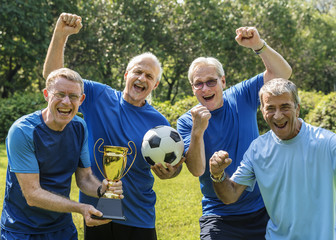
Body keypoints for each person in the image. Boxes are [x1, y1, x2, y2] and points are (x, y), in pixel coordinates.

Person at [43, 13, 183, 240]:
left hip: (139, 215)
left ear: (155, 84)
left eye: (149, 76)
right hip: (97, 211)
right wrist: (60, 35)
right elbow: (54, 78)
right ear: (126, 75)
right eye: (137, 71)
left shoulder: (159, 123)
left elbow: (173, 168)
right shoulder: (98, 95)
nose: (141, 78)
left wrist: (170, 173)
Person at [177, 27, 292, 239]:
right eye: (198, 84)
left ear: (223, 81)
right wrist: (197, 131)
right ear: (192, 88)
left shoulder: (241, 95)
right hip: (219, 215)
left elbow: (282, 74)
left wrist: (258, 45)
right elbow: (197, 169)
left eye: (211, 81)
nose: (205, 89)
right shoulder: (186, 121)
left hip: (263, 208)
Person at [0, 68, 123, 240]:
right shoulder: (23, 131)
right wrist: (80, 207)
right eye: (59, 94)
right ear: (46, 95)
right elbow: (32, 194)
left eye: (73, 96)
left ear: (81, 100)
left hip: (63, 229)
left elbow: (85, 178)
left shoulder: (79, 127)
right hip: (22, 230)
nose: (66, 102)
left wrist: (102, 189)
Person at [209, 78, 336, 239]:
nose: (277, 115)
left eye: (285, 107)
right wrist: (218, 175)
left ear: (297, 109)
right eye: (270, 108)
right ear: (262, 111)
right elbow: (230, 195)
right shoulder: (257, 149)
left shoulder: (327, 143)